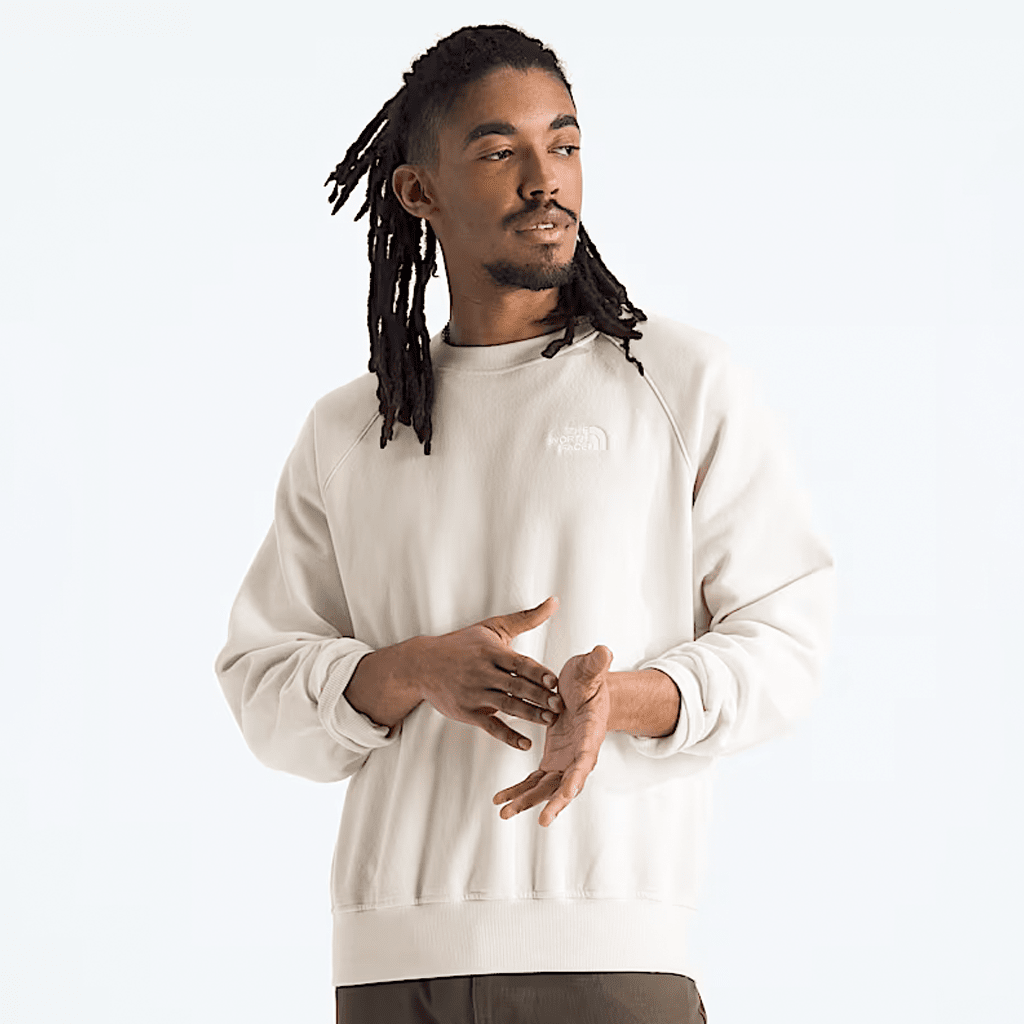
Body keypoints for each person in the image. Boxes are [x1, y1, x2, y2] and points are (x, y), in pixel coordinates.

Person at [215, 24, 834, 1024]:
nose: (546, 179)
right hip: (387, 966)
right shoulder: (352, 426)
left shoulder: (678, 384)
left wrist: (623, 700)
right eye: (501, 151)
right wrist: (410, 671)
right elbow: (260, 682)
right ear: (418, 191)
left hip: (608, 953)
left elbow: (787, 639)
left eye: (566, 144)